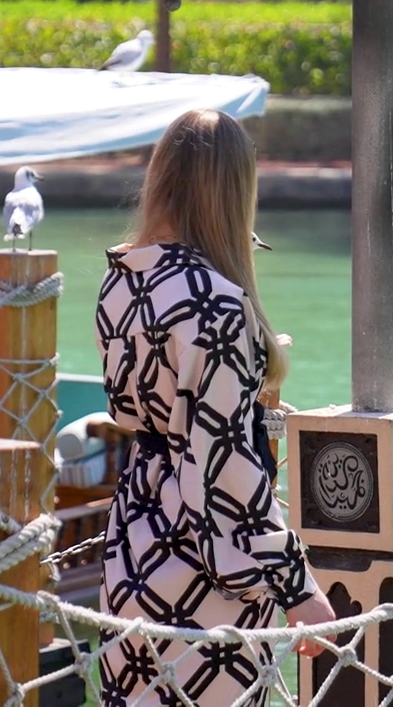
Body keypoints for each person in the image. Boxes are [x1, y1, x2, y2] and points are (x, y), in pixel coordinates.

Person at [97, 109, 335, 706]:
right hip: (202, 570)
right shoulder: (217, 304)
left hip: (134, 541)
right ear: (236, 189)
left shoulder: (123, 278)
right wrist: (297, 588)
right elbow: (221, 462)